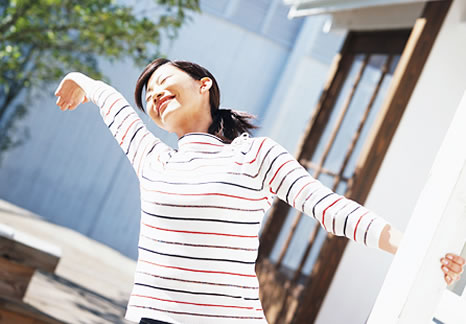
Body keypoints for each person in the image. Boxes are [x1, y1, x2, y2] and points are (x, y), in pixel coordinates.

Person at [54, 58, 465, 324]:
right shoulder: (154, 161)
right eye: (149, 98)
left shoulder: (254, 156)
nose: (155, 96)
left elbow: (331, 209)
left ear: (204, 85)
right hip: (151, 318)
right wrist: (79, 80)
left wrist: (417, 251)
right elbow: (113, 106)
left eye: (163, 82)